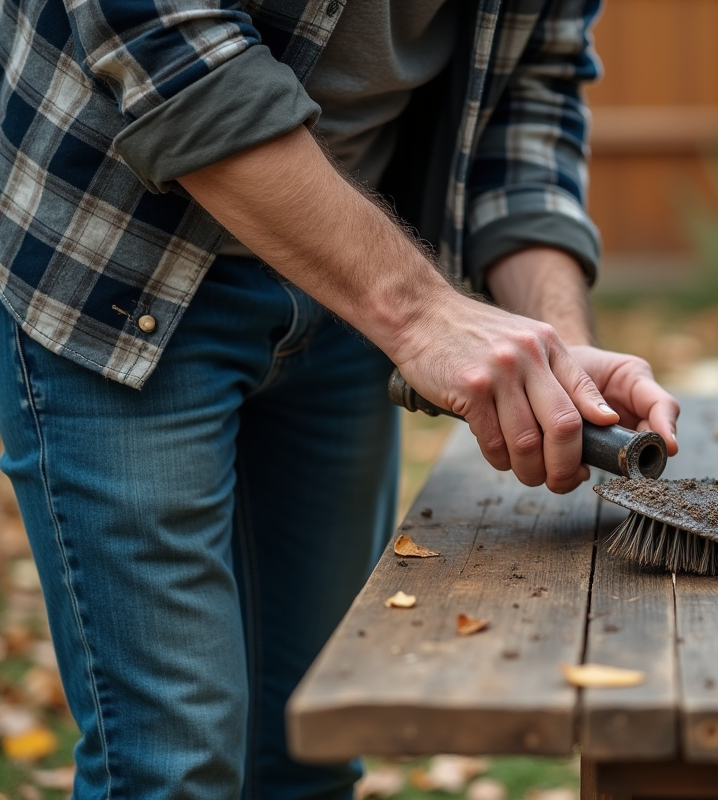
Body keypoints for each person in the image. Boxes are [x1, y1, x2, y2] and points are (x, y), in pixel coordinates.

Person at [0, 0, 680, 796]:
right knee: (170, 769)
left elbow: (528, 93)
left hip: (351, 292)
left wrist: (559, 348)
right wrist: (422, 314)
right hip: (119, 267)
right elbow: (162, 36)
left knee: (309, 749)